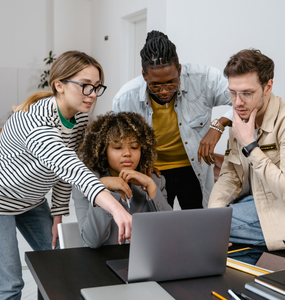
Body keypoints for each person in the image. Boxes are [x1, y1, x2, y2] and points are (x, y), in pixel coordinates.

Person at [0, 51, 132, 300]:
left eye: (96, 87)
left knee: (59, 262)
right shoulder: (35, 122)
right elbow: (71, 167)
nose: (92, 95)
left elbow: (62, 174)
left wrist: (57, 214)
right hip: (1, 200)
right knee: (10, 285)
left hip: (33, 200)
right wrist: (116, 208)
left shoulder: (79, 117)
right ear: (59, 85)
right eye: (85, 86)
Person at [208, 49, 285, 251]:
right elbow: (230, 176)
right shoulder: (241, 118)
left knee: (195, 230)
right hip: (254, 205)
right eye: (233, 93)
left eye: (247, 93)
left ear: (268, 87)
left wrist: (250, 145)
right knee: (204, 224)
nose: (237, 103)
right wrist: (213, 215)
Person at [113, 30, 233, 209]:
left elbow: (243, 101)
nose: (164, 91)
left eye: (171, 82)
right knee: (159, 226)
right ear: (144, 76)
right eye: (155, 85)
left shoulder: (205, 78)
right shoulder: (125, 98)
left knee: (198, 223)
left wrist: (218, 125)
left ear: (179, 69)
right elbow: (119, 141)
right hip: (155, 171)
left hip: (194, 168)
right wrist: (141, 164)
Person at [73, 112, 172, 248]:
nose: (127, 153)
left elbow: (170, 233)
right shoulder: (86, 182)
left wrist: (151, 186)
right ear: (103, 150)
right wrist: (104, 188)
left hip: (145, 262)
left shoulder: (155, 180)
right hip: (102, 263)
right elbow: (92, 241)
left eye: (134, 147)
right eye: (118, 147)